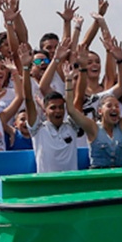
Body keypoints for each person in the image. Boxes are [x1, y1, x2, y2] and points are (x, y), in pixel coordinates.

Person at [66, 38, 122, 169]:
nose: (114, 108)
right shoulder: (93, 128)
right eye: (109, 106)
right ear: (100, 111)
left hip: (119, 174)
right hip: (98, 175)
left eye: (116, 106)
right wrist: (68, 81)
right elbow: (71, 110)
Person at [19, 44, 79, 173]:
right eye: (53, 108)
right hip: (47, 184)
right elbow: (28, 98)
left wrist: (70, 80)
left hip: (72, 185)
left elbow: (75, 103)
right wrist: (25, 68)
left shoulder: (72, 126)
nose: (58, 111)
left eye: (60, 108)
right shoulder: (37, 129)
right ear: (44, 110)